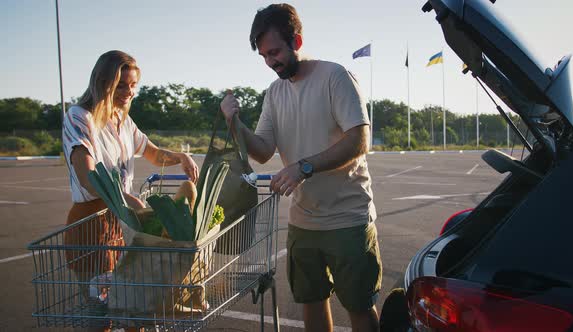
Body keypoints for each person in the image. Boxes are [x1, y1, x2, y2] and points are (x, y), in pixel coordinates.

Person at [220, 4, 381, 331]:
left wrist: (303, 167)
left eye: (275, 51)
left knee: (359, 307)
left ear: (297, 40)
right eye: (264, 56)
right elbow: (263, 151)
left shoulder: (335, 76)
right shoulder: (275, 92)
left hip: (348, 219)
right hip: (302, 223)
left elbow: (359, 139)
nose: (270, 62)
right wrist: (233, 122)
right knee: (311, 302)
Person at [62, 50, 198, 330]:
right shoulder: (79, 117)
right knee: (100, 316)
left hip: (125, 225)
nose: (129, 92)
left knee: (134, 308)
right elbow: (87, 176)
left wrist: (180, 157)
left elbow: (153, 153)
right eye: (121, 85)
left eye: (133, 84)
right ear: (102, 82)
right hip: (92, 226)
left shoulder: (123, 120)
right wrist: (127, 198)